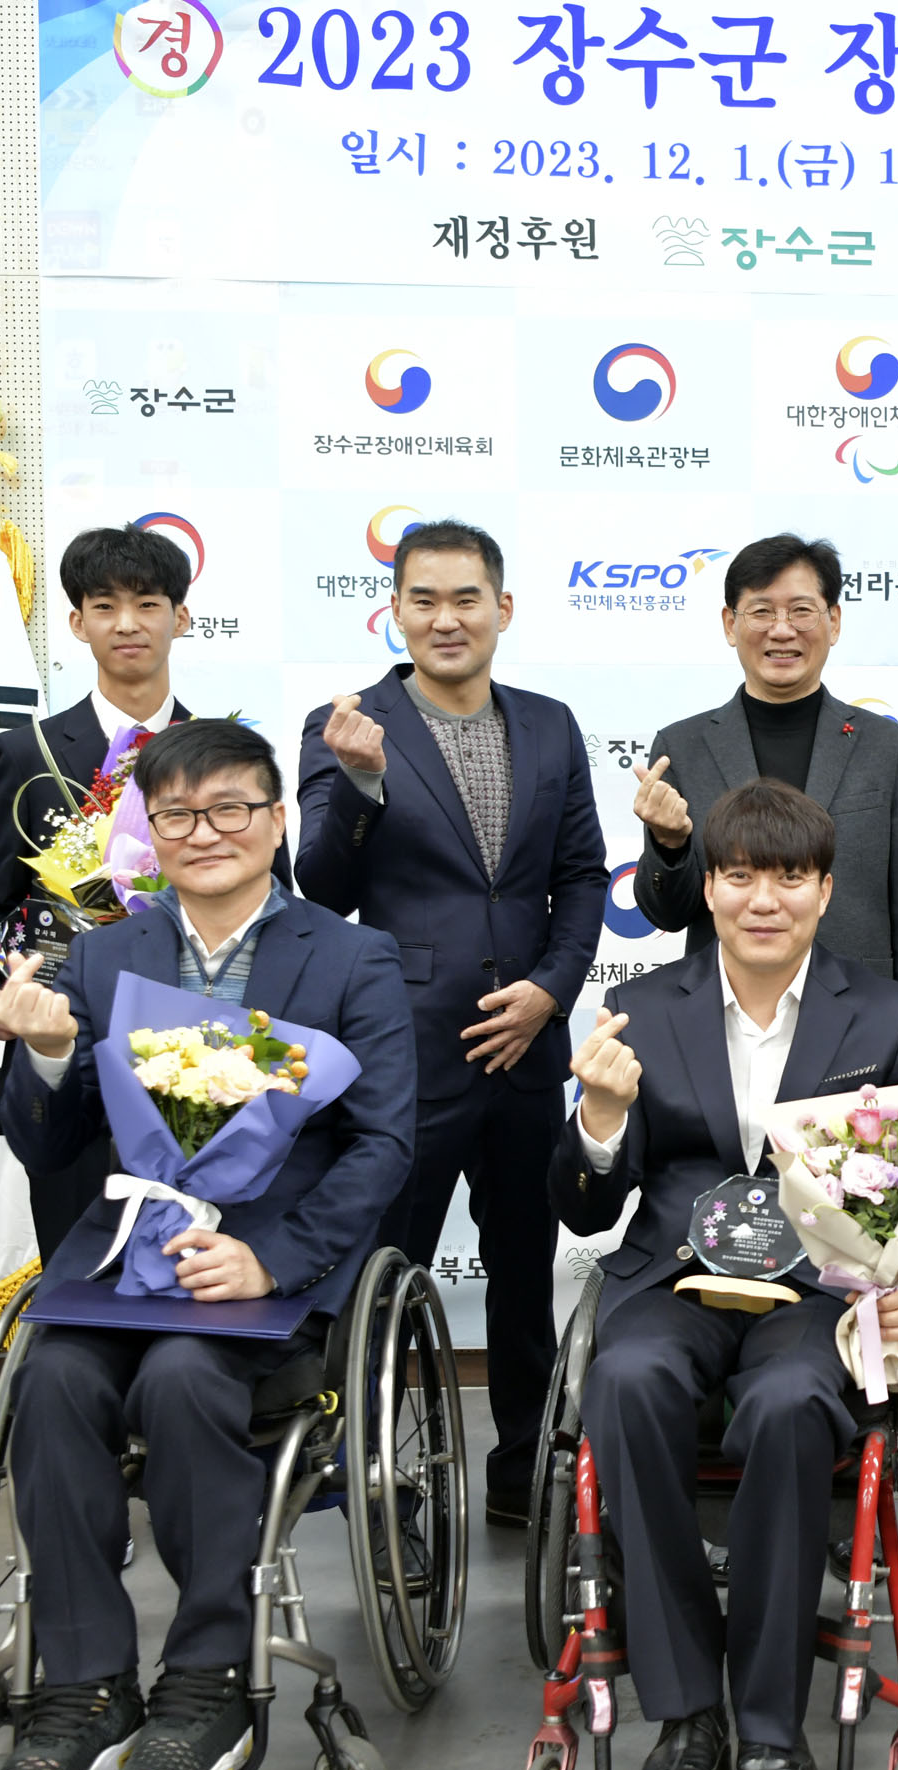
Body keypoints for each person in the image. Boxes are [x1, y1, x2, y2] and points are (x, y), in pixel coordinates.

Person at [0, 720, 414, 1770]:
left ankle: (209, 1677)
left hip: (270, 1273)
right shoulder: (103, 951)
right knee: (53, 1380)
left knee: (181, 1378)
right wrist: (39, 1051)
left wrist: (270, 1256)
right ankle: (79, 1690)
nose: (205, 831)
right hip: (126, 1257)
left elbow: (380, 1144)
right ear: (150, 832)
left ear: (278, 820)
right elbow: (49, 1137)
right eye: (176, 813)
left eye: (231, 808)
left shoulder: (350, 955)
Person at [550, 780, 898, 1770]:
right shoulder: (643, 1009)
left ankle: (769, 1719)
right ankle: (687, 1708)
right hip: (670, 1275)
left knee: (791, 1404)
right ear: (706, 888)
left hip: (817, 1287)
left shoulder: (884, 1011)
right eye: (739, 875)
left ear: (825, 891)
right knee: (628, 1376)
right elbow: (577, 1206)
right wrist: (601, 1121)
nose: (763, 898)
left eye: (789, 877)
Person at [295, 518, 606, 1528]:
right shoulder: (344, 723)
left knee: (524, 1274)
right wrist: (363, 783)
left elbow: (578, 877)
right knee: (386, 1272)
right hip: (405, 1046)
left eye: (465, 597)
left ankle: (523, 1472)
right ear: (392, 609)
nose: (444, 618)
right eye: (421, 599)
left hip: (527, 1047)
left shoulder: (552, 724)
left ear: (501, 608)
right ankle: (378, 1471)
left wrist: (549, 992)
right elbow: (321, 883)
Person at [0, 525, 290, 1259]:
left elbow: (281, 907)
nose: (128, 623)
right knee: (79, 1271)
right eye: (104, 606)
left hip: (209, 1055)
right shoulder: (27, 752)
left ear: (182, 617)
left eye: (148, 603)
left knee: (201, 1276)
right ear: (76, 622)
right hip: (65, 1054)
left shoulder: (232, 754)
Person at [629, 533, 898, 1033]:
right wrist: (669, 845)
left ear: (833, 622)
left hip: (859, 1024)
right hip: (723, 1023)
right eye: (760, 612)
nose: (782, 630)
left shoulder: (887, 748)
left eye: (801, 611)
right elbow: (668, 914)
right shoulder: (682, 746)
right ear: (730, 624)